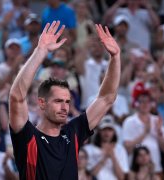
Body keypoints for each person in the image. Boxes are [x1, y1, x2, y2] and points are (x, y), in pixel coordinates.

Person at [9, 21, 121, 179]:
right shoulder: (27, 137)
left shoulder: (72, 133)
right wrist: (40, 52)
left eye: (67, 102)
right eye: (58, 101)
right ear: (42, 103)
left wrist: (115, 57)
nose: (64, 107)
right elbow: (16, 96)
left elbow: (107, 98)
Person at [84, 115, 129, 180]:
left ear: (114, 132)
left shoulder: (120, 149)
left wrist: (113, 156)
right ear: (99, 131)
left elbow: (122, 177)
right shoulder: (88, 149)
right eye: (104, 129)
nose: (107, 132)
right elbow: (90, 176)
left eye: (110, 129)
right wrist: (105, 158)